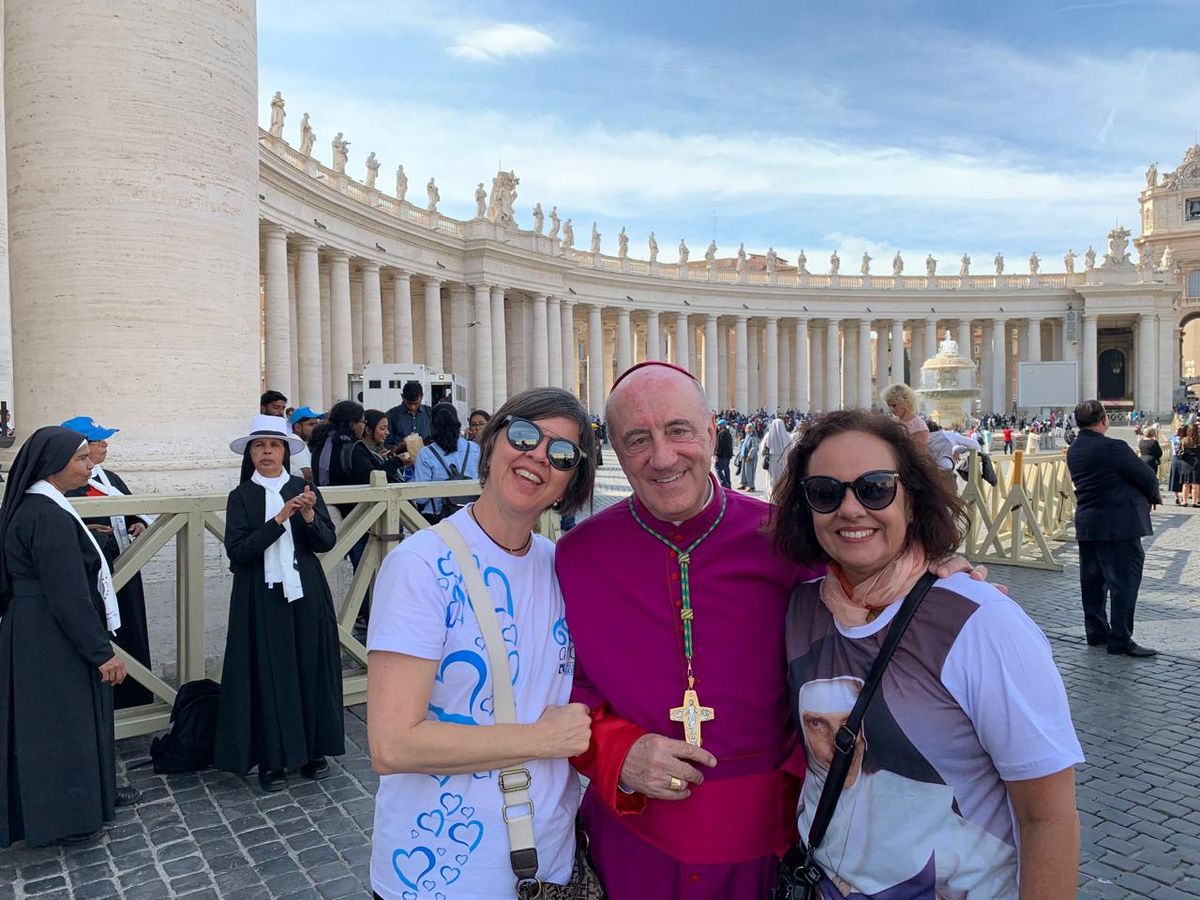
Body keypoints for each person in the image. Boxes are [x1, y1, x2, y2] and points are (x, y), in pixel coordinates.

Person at [554, 362, 989, 900]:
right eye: (637, 439)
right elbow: (558, 689)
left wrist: (937, 576)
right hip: (635, 838)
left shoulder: (785, 538)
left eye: (679, 430)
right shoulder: (576, 558)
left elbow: (872, 595)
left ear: (712, 431)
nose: (662, 456)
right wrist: (619, 754)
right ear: (615, 451)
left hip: (772, 843)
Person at [772, 409, 1083, 897]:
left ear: (912, 500)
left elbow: (1047, 816)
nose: (850, 510)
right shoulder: (802, 609)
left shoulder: (983, 622)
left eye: (875, 488)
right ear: (805, 508)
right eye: (826, 493)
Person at [367, 387, 599, 899]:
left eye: (561, 454)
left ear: (567, 486)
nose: (538, 454)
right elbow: (392, 743)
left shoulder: (562, 567)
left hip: (550, 864)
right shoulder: (420, 565)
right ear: (490, 445)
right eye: (523, 435)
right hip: (437, 876)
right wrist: (541, 739)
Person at [0, 426, 140, 848]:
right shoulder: (47, 514)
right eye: (81, 458)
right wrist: (102, 653)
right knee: (62, 724)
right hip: (51, 634)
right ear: (52, 464)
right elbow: (67, 595)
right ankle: (68, 817)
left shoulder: (35, 506)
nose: (90, 464)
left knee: (48, 722)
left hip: (33, 628)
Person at [214, 414, 345, 792]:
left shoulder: (304, 488)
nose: (266, 452)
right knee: (266, 671)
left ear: (285, 451)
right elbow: (239, 551)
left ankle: (312, 750)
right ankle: (272, 757)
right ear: (251, 454)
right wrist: (279, 518)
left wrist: (305, 514)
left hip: (305, 590)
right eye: (259, 446)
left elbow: (325, 542)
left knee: (309, 666)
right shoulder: (241, 496)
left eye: (273, 446)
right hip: (260, 591)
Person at [60, 415, 154, 709]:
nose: (105, 446)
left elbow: (131, 508)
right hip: (94, 576)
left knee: (130, 631)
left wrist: (137, 522)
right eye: (98, 441)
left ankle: (135, 698)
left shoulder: (110, 478)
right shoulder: (67, 483)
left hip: (124, 566)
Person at [1067, 399, 1162, 657]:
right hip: (1119, 526)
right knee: (1124, 583)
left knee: (1093, 582)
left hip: (1089, 523)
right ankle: (1120, 638)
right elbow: (1146, 476)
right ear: (1104, 419)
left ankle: (1097, 633)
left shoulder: (1074, 449)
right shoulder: (1114, 447)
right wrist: (1152, 497)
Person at [413, 404, 479, 523]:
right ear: (457, 423)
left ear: (432, 425)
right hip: (470, 516)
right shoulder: (474, 449)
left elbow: (421, 498)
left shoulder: (425, 454)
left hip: (436, 518)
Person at [881, 383, 928, 447]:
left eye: (894, 405)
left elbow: (921, 454)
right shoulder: (892, 422)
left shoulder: (919, 425)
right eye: (889, 405)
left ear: (905, 403)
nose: (891, 409)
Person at [364, 408, 404, 483]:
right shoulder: (362, 454)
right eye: (382, 429)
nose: (387, 432)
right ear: (368, 430)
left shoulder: (383, 450)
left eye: (387, 428)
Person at [289, 406, 322, 482]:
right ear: (298, 427)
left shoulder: (300, 441)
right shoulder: (296, 441)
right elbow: (307, 474)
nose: (316, 427)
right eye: (311, 424)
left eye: (316, 424)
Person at [760, 416, 791, 497]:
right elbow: (790, 448)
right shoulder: (787, 436)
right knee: (782, 479)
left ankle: (771, 496)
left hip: (772, 460)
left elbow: (762, 450)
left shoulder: (768, 436)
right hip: (784, 460)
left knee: (772, 479)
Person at [1168, 425, 1194, 505]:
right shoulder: (1186, 440)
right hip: (1184, 460)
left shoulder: (1174, 438)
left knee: (1175, 478)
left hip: (1175, 459)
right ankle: (1184, 497)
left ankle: (1176, 497)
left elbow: (1169, 439)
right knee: (1184, 479)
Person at [736, 423, 759, 491]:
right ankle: (743, 484)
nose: (748, 430)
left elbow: (754, 448)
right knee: (743, 471)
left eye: (749, 428)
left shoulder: (753, 437)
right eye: (747, 428)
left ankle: (750, 486)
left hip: (750, 458)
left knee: (749, 472)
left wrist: (749, 456)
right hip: (744, 456)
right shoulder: (746, 436)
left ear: (752, 429)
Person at [713, 418, 734, 489]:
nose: (718, 427)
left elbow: (719, 445)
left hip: (722, 455)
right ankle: (728, 483)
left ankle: (724, 483)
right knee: (726, 469)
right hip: (728, 455)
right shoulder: (728, 433)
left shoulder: (721, 433)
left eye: (718, 425)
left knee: (717, 467)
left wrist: (716, 454)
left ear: (722, 425)